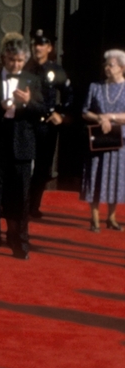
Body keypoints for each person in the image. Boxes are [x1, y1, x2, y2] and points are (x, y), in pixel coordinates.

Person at [0, 37, 46, 259]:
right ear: (5, 57)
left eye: (20, 61)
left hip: (21, 145)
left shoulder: (32, 81)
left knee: (20, 197)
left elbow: (42, 110)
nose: (16, 65)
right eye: (12, 60)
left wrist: (27, 102)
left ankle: (19, 242)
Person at [26, 29, 73, 219]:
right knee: (23, 165)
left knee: (42, 167)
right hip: (27, 123)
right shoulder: (25, 69)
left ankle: (33, 206)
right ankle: (19, 205)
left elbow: (70, 95)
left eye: (42, 44)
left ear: (49, 47)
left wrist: (61, 114)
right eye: (35, 43)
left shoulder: (56, 70)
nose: (38, 47)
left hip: (46, 126)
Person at [81, 49, 125, 231]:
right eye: (105, 65)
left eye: (111, 65)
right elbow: (85, 111)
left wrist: (111, 117)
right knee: (95, 176)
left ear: (122, 68)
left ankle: (112, 217)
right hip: (98, 139)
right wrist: (100, 118)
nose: (107, 68)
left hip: (119, 141)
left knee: (115, 177)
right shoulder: (95, 86)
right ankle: (94, 218)